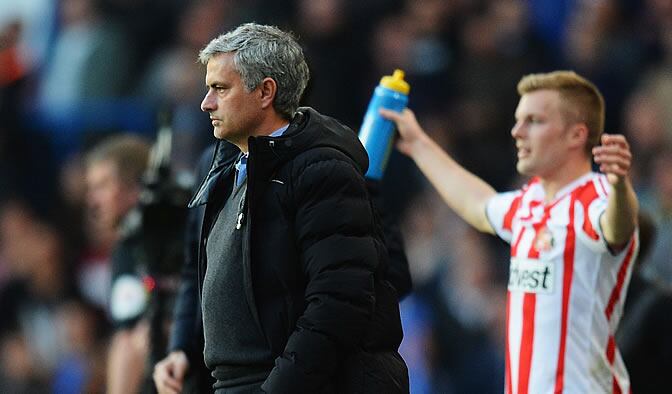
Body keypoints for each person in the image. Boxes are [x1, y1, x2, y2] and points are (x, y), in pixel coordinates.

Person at [153, 23, 408, 394]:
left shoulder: (322, 170)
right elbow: (201, 272)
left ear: (265, 92)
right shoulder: (222, 167)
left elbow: (338, 303)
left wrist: (276, 389)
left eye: (221, 89)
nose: (206, 102)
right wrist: (183, 348)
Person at [382, 70, 639, 393]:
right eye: (519, 120)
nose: (517, 131)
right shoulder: (529, 202)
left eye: (534, 121)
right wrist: (419, 144)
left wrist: (620, 188)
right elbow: (478, 204)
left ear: (575, 135)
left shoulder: (597, 198)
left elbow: (617, 227)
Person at [84, 134, 153, 394]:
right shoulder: (125, 248)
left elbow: (129, 340)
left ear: (135, 186)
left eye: (102, 185)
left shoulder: (182, 235)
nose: (92, 201)